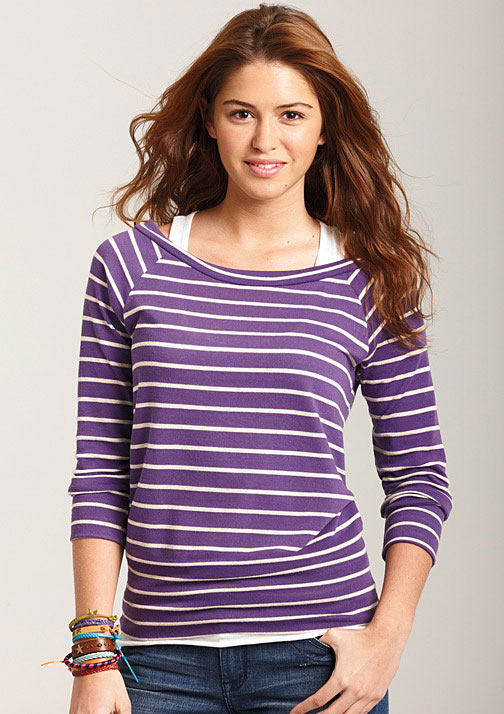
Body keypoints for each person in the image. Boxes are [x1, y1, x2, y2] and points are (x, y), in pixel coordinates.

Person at [66, 4, 453, 713]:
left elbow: (419, 476)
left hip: (318, 659)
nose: (265, 140)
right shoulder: (130, 266)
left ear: (325, 125)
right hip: (157, 665)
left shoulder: (370, 278)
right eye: (242, 113)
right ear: (209, 119)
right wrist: (94, 654)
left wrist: (387, 639)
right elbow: (100, 470)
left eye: (292, 115)